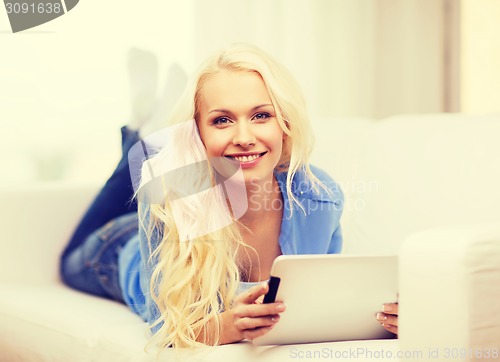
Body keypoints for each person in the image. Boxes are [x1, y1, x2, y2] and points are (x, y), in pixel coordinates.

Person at [60, 43, 398, 350]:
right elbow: (164, 328)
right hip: (113, 248)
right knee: (70, 258)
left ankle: (146, 123)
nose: (244, 137)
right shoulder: (171, 199)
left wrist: (390, 318)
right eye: (222, 120)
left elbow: (327, 299)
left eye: (261, 115)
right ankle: (139, 130)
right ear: (198, 134)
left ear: (285, 123)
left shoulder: (319, 196)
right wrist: (227, 326)